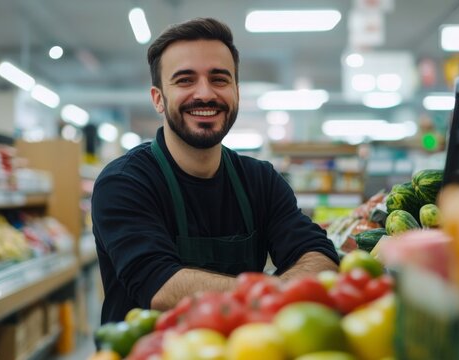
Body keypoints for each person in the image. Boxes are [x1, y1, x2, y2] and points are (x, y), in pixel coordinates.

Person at [92, 17, 339, 323]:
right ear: (158, 98)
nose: (205, 94)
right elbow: (161, 286)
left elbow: (318, 254)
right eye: (185, 80)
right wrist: (276, 292)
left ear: (236, 91)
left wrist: (276, 289)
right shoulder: (124, 182)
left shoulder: (260, 180)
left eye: (219, 79)